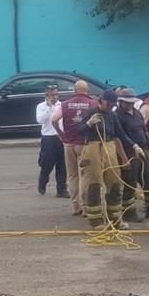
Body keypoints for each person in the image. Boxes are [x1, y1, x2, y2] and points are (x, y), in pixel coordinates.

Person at [78, 90, 142, 229]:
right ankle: (96, 221)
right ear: (101, 101)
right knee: (94, 184)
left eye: (113, 105)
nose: (110, 107)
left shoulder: (112, 115)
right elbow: (79, 131)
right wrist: (89, 124)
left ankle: (115, 219)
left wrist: (134, 145)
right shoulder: (91, 113)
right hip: (93, 148)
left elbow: (120, 134)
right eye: (109, 104)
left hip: (109, 147)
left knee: (114, 183)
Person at [52, 80, 96, 215]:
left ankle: (76, 206)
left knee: (72, 176)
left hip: (69, 144)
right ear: (87, 90)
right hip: (84, 144)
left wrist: (61, 134)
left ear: (75, 91)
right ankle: (85, 206)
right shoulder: (92, 104)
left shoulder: (65, 104)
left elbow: (54, 119)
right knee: (85, 175)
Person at [115, 87, 149, 222]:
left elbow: (144, 130)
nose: (130, 105)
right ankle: (129, 213)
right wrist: (124, 158)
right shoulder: (117, 116)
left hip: (142, 152)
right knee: (130, 183)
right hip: (129, 153)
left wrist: (147, 151)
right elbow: (119, 137)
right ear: (121, 102)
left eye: (132, 102)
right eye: (127, 102)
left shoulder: (136, 113)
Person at [36, 84, 68, 198]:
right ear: (46, 95)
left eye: (56, 94)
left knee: (62, 164)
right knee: (47, 163)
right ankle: (42, 181)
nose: (54, 97)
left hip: (60, 136)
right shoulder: (41, 106)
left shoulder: (62, 105)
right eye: (51, 95)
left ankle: (61, 189)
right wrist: (48, 108)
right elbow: (40, 120)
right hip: (48, 137)